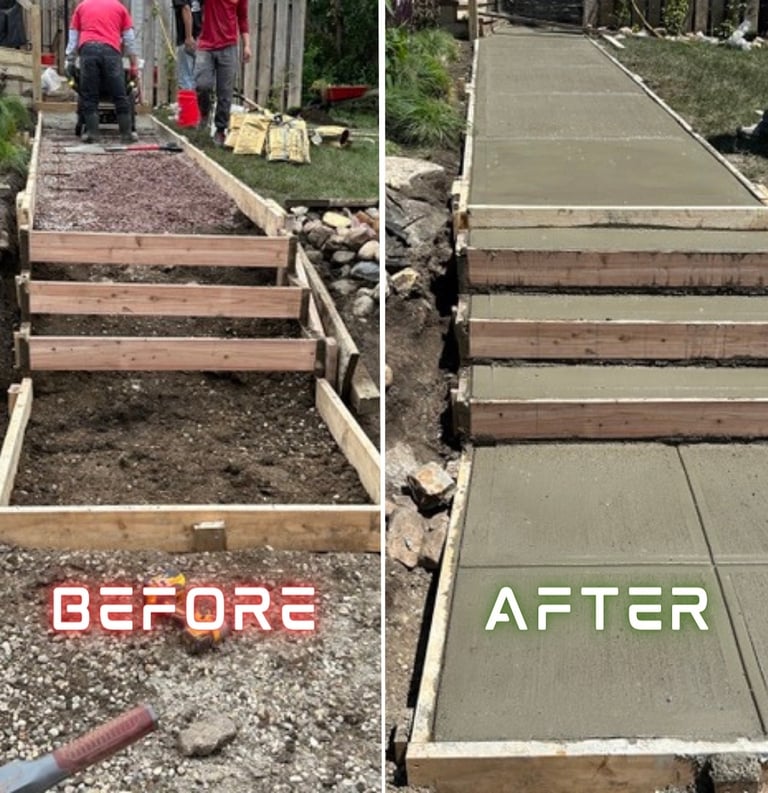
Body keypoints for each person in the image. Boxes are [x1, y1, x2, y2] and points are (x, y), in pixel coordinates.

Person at [65, 0, 139, 145]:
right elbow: (129, 40)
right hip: (111, 51)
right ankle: (126, 135)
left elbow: (73, 37)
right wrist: (134, 65)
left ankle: (93, 134)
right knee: (120, 94)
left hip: (88, 51)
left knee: (89, 95)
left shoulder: (82, 6)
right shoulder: (120, 8)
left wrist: (70, 60)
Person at [194, 0, 251, 146]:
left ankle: (220, 129)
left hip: (229, 46)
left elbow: (243, 18)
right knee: (202, 85)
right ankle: (204, 113)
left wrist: (247, 46)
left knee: (225, 92)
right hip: (206, 45)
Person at [173, 0, 203, 91]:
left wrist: (189, 36)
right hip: (203, 40)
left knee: (186, 80)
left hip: (187, 40)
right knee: (201, 81)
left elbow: (186, 9)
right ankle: (199, 104)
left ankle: (189, 105)